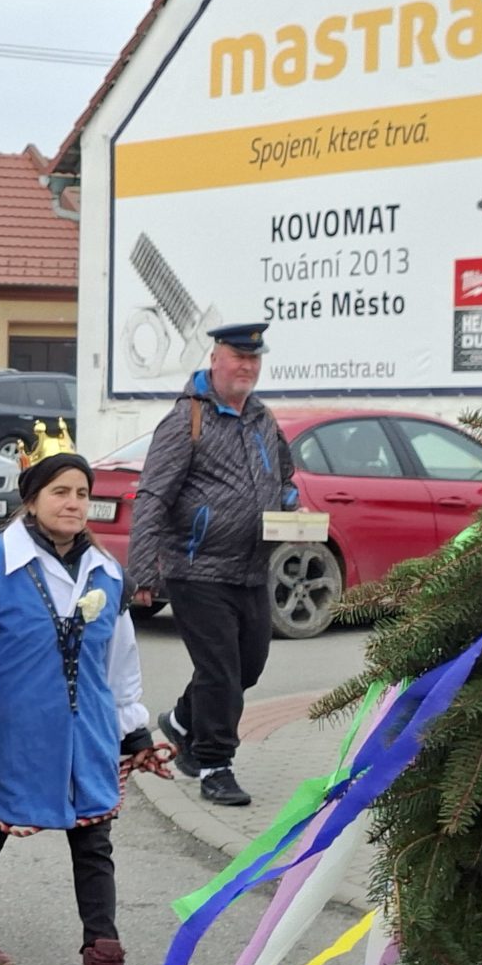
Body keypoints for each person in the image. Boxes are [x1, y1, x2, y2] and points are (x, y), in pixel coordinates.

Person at [0, 451, 167, 965]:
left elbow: (121, 660)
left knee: (94, 841)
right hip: (12, 725)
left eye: (81, 494)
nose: (73, 504)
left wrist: (133, 730)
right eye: (60, 492)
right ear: (31, 500)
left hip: (87, 729)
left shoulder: (108, 573)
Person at [128, 322, 296, 808]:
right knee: (220, 672)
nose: (247, 366)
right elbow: (153, 497)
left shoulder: (262, 417)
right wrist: (142, 572)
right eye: (238, 357)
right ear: (215, 359)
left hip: (252, 568)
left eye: (254, 359)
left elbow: (284, 476)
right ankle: (214, 765)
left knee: (248, 667)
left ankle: (183, 720)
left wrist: (290, 505)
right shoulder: (187, 420)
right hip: (196, 569)